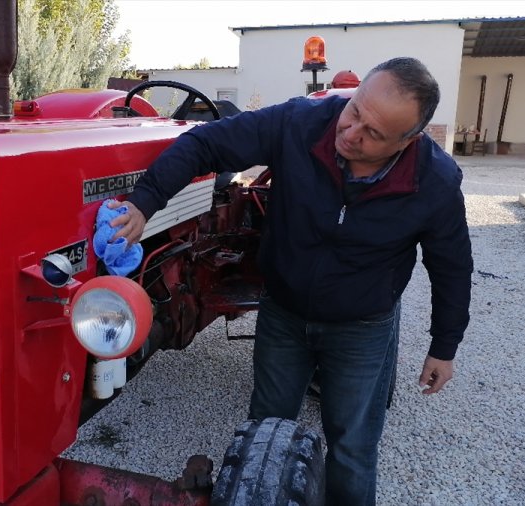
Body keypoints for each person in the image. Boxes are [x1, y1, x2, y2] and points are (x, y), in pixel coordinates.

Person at [109, 57, 473, 505]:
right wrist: (145, 204)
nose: (351, 132)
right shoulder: (299, 122)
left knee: (353, 448)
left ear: (408, 140)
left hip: (362, 328)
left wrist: (444, 346)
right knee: (265, 431)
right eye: (355, 110)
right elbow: (205, 143)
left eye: (373, 133)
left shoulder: (434, 182)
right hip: (283, 314)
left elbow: (452, 266)